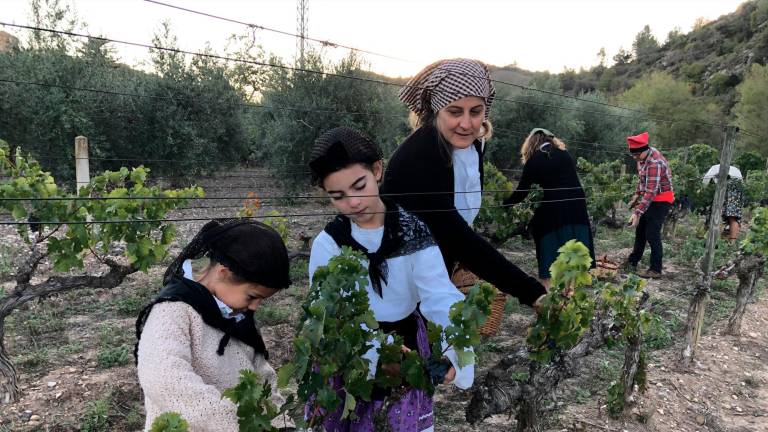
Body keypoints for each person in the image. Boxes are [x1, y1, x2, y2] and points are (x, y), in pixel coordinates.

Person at [308, 126, 473, 431]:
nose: (353, 202)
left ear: (378, 170)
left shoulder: (413, 231)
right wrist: (373, 353)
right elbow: (326, 315)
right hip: (349, 354)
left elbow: (439, 294)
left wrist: (455, 351)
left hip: (406, 343)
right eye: (338, 196)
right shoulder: (328, 244)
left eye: (360, 186)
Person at [381, 58, 546, 308]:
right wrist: (532, 292)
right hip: (395, 285)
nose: (467, 123)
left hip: (431, 278)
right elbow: (457, 236)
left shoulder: (472, 147)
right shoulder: (418, 157)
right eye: (455, 111)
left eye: (476, 111)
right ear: (437, 110)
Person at [135, 219, 293, 431]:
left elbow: (264, 383)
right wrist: (236, 423)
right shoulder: (172, 312)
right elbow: (165, 380)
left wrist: (282, 425)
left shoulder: (237, 319)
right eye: (252, 296)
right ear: (223, 273)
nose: (255, 307)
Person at [503, 128, 595, 289]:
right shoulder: (564, 154)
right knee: (573, 250)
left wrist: (506, 204)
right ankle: (569, 291)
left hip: (553, 210)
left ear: (531, 143)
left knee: (548, 247)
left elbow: (522, 190)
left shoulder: (534, 160)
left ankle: (549, 290)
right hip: (577, 207)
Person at [623, 132, 675, 278]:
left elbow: (651, 191)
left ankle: (655, 269)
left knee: (652, 234)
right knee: (640, 232)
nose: (634, 158)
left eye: (636, 155)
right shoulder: (641, 158)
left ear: (644, 150)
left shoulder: (654, 163)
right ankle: (632, 262)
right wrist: (636, 195)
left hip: (661, 200)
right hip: (650, 198)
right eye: (632, 154)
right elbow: (642, 180)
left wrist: (637, 212)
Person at [721, 175, 746, 241]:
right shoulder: (739, 183)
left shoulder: (728, 183)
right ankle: (732, 240)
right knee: (733, 220)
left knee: (732, 219)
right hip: (736, 204)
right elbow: (742, 196)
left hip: (731, 203)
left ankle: (732, 240)